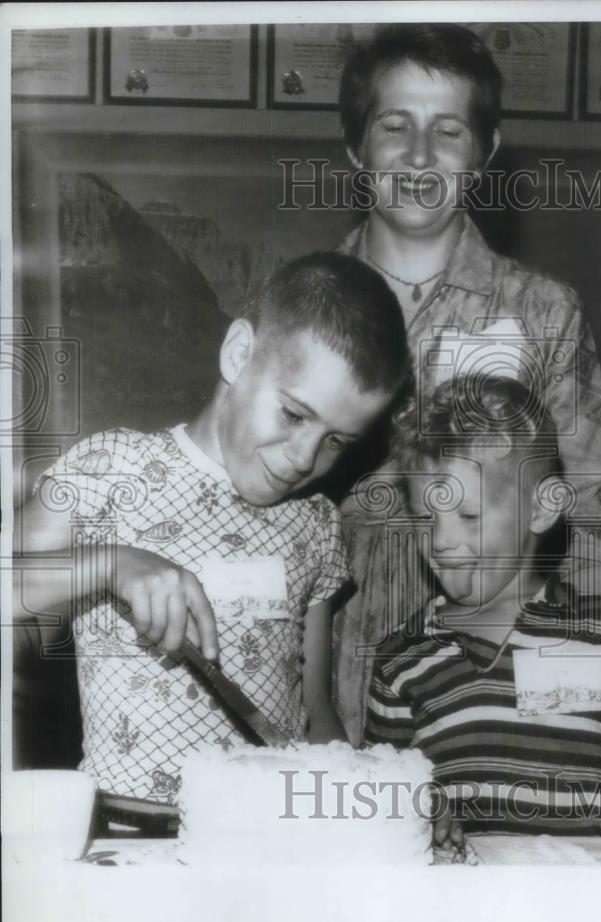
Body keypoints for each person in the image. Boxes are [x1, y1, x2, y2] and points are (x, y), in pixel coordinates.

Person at [332, 23, 601, 744]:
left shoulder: (542, 311)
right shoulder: (296, 305)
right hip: (319, 694)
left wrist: (576, 718)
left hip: (489, 707)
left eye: (447, 131)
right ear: (354, 147)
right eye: (393, 126)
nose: (417, 155)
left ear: (484, 151)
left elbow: (596, 522)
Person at [12, 252, 410, 803]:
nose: (303, 458)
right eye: (294, 415)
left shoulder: (314, 523)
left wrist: (378, 808)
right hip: (131, 842)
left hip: (262, 839)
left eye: (337, 441)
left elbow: (316, 716)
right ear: (239, 354)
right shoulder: (106, 470)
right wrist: (111, 562)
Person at [366, 375, 601, 840]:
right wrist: (415, 816)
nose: (442, 541)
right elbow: (381, 802)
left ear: (542, 509)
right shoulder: (400, 660)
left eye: (468, 516)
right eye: (426, 518)